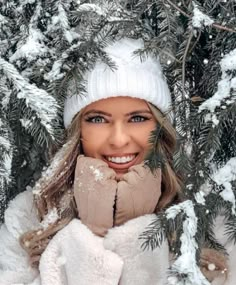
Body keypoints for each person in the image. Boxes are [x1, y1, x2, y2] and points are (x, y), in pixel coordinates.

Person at [0, 38, 235, 285]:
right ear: (77, 131)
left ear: (161, 129)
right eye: (98, 119)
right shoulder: (30, 217)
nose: (119, 140)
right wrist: (91, 234)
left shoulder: (212, 219)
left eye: (137, 119)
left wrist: (137, 234)